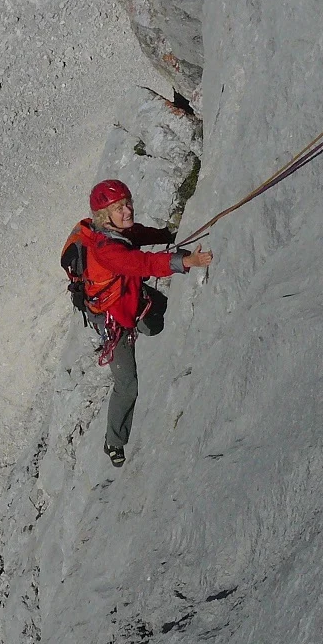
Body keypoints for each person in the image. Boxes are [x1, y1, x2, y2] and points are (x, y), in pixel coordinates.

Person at [67, 179, 211, 466]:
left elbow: (136, 235)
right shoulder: (107, 250)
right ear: (103, 216)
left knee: (153, 324)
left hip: (126, 297)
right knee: (127, 385)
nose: (128, 210)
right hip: (111, 319)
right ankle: (114, 442)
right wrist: (186, 261)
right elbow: (143, 264)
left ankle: (142, 318)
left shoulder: (107, 231)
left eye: (127, 203)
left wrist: (166, 234)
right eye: (119, 207)